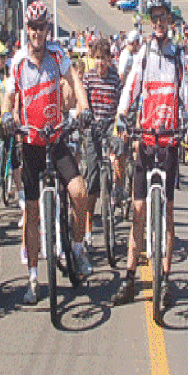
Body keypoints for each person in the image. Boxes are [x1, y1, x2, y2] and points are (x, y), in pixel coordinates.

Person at [1, 1, 92, 305]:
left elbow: (75, 82)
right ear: (26, 29)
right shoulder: (17, 62)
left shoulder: (57, 54)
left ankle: (78, 250)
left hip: (56, 137)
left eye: (41, 27)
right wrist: (6, 116)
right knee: (30, 213)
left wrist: (84, 108)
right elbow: (9, 96)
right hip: (31, 143)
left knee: (79, 193)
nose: (36, 32)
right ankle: (33, 280)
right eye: (32, 27)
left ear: (47, 29)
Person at [112, 0, 188, 309]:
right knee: (138, 213)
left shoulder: (178, 57)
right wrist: (122, 116)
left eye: (164, 17)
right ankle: (129, 277)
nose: (159, 22)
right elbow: (131, 89)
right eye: (155, 17)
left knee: (169, 215)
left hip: (170, 142)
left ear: (171, 20)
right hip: (145, 142)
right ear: (150, 22)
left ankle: (164, 278)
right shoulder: (144, 56)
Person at [82, 36, 122, 256]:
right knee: (92, 179)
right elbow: (83, 104)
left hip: (110, 126)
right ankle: (88, 228)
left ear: (110, 59)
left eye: (104, 58)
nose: (100, 62)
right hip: (93, 129)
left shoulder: (115, 79)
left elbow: (121, 104)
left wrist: (120, 124)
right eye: (97, 58)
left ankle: (116, 191)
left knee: (117, 158)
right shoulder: (88, 79)